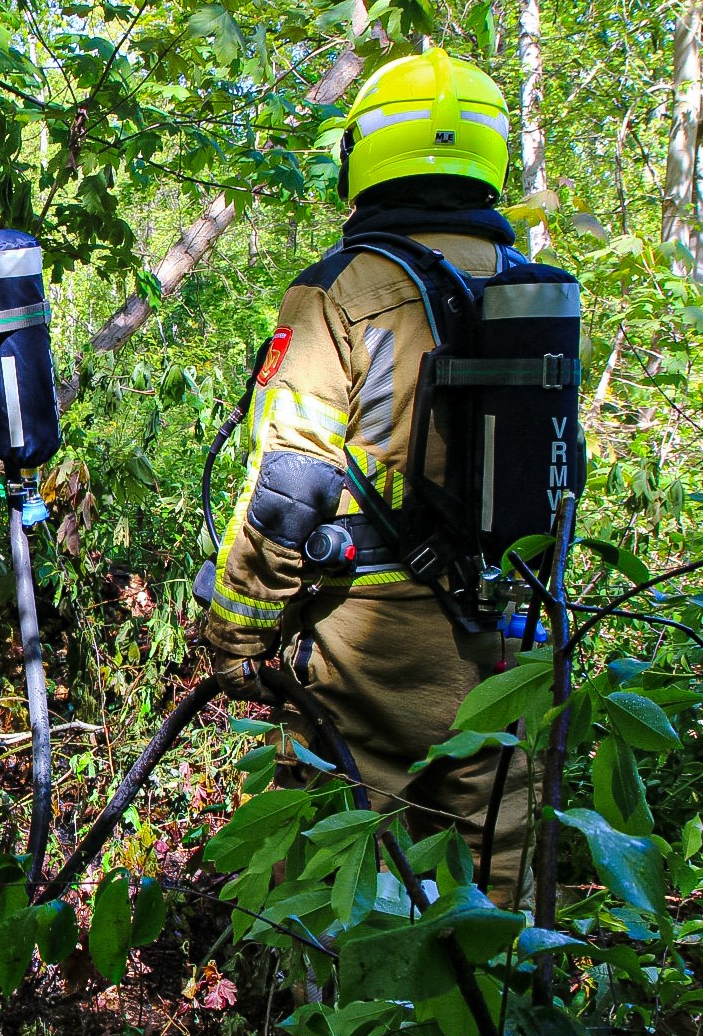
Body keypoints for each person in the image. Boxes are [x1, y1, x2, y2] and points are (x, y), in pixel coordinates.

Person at [201, 49, 536, 906]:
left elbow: (291, 488)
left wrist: (237, 633)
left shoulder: (341, 291)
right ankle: (490, 995)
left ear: (365, 155)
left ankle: (333, 999)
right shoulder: (531, 292)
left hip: (369, 647)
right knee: (490, 868)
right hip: (510, 632)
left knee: (337, 865)